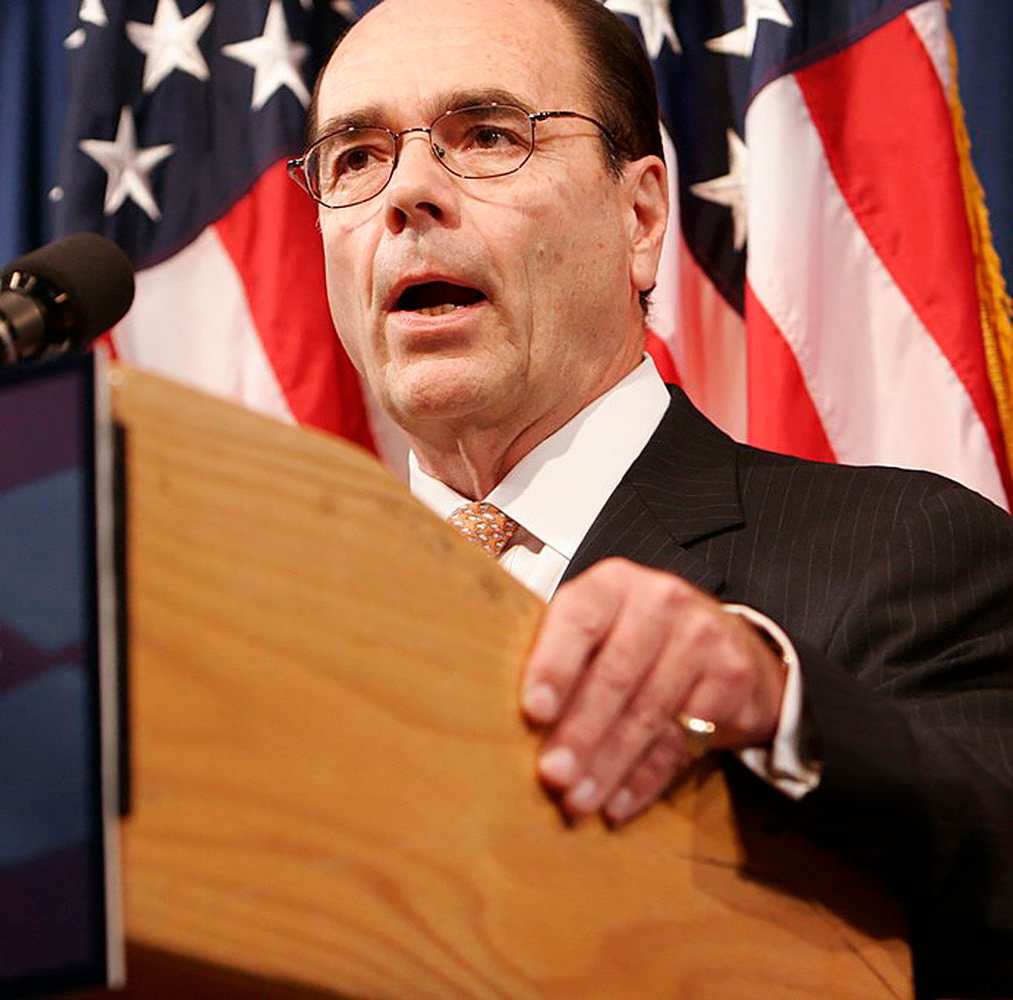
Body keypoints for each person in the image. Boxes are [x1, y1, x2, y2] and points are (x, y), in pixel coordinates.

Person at [291, 0, 1013, 994]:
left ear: (639, 218)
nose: (406, 193)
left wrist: (776, 697)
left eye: (487, 136)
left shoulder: (902, 546)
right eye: (355, 158)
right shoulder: (277, 635)